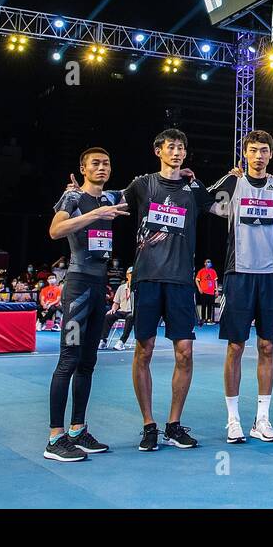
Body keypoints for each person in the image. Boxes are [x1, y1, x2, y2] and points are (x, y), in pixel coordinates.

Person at [124, 128, 213, 452]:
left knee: (185, 352)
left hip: (180, 281)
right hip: (147, 278)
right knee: (143, 350)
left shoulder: (193, 189)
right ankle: (149, 424)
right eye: (170, 146)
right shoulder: (142, 184)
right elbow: (115, 206)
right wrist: (81, 198)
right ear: (158, 150)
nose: (176, 152)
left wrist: (234, 177)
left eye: (181, 148)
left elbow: (223, 207)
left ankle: (173, 424)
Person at [42, 145, 129, 463]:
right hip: (77, 287)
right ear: (83, 168)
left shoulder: (112, 196)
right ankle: (55, 437)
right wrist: (94, 214)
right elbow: (54, 230)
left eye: (107, 163)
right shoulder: (74, 198)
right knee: (68, 360)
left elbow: (149, 190)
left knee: (88, 362)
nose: (102, 167)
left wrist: (185, 179)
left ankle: (78, 430)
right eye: (96, 163)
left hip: (98, 288)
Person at [210, 130, 273, 443]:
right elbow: (201, 201)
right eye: (253, 150)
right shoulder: (232, 184)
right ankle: (233, 420)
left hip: (271, 275)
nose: (259, 156)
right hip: (238, 274)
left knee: (267, 346)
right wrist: (217, 179)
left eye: (264, 151)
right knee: (235, 346)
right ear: (245, 153)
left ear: (271, 154)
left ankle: (262, 420)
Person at [102, 269, 135, 350]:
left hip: (133, 312)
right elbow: (116, 303)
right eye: (130, 274)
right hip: (122, 311)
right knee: (109, 315)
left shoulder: (138, 288)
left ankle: (122, 342)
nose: (132, 275)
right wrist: (113, 309)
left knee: (130, 317)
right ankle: (103, 340)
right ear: (127, 276)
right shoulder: (121, 287)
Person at [195, 259, 218, 326]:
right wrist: (199, 288)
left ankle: (209, 319)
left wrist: (216, 290)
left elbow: (215, 281)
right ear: (205, 263)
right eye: (208, 262)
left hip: (211, 292)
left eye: (210, 262)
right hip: (204, 291)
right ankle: (203, 319)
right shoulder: (201, 271)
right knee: (203, 305)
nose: (209, 263)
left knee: (210, 306)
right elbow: (197, 280)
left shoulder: (213, 271)